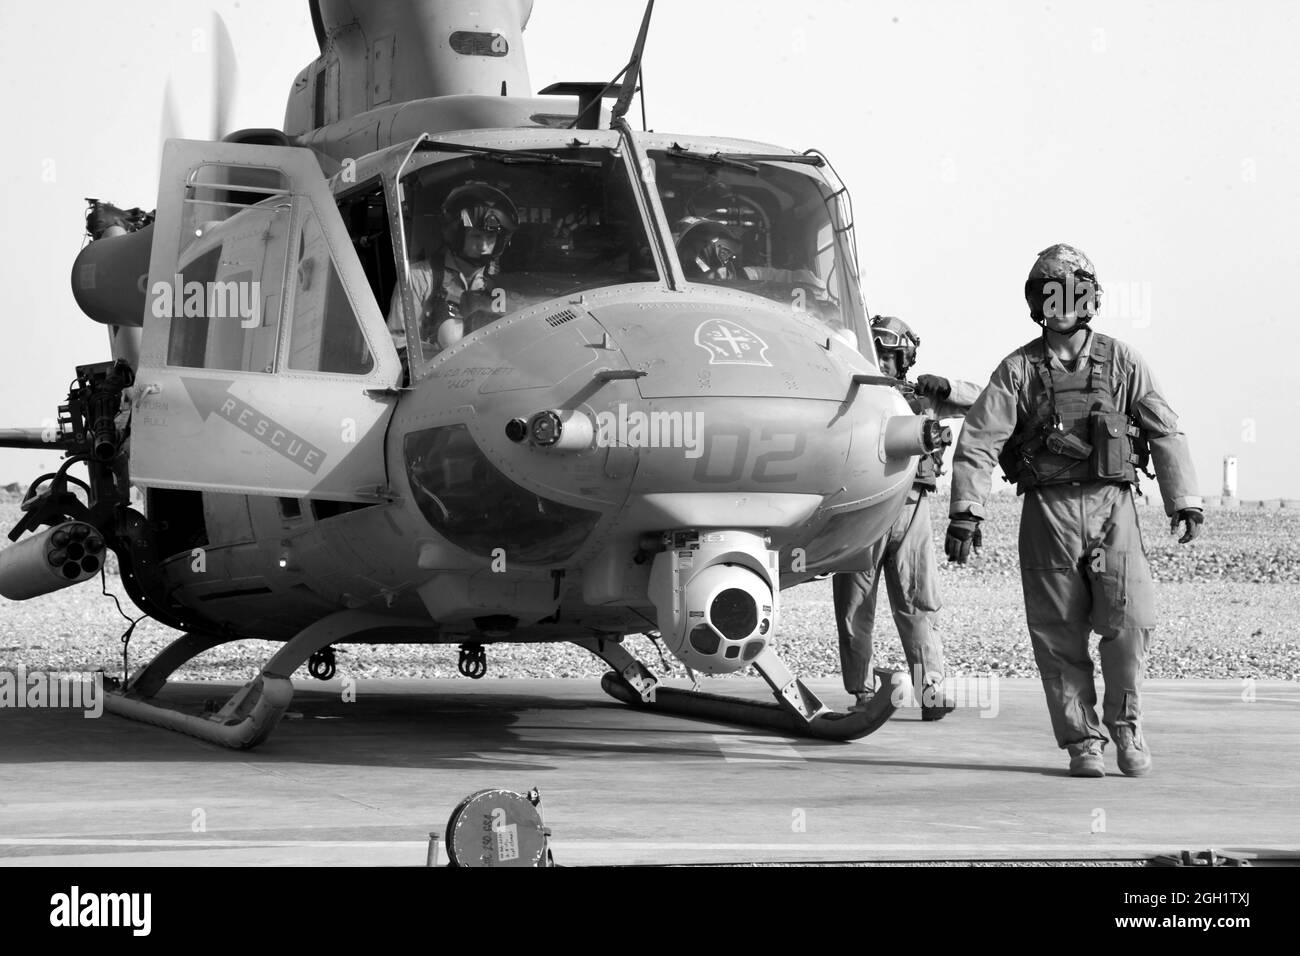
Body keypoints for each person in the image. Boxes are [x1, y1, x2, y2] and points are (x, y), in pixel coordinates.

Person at [945, 243, 1202, 777]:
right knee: (1058, 634)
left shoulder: (1123, 360)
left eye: (1072, 291)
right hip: (1047, 514)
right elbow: (978, 440)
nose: (1062, 304)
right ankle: (1083, 741)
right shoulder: (1017, 370)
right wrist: (967, 510)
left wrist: (1185, 499)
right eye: (1051, 292)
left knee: (1131, 621)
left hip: (1114, 510)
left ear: (1090, 298)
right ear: (1037, 302)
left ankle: (1127, 728)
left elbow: (1163, 429)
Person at [833, 315, 982, 720]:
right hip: (862, 510)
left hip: (912, 508)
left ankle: (930, 689)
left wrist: (948, 387)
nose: (882, 363)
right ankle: (862, 694)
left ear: (905, 360)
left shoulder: (925, 397)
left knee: (918, 601)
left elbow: (986, 401)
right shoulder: (847, 391)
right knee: (854, 605)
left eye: (890, 356)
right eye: (876, 353)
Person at [388, 182, 519, 357]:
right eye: (476, 236)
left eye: (490, 237)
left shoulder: (500, 285)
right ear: (456, 235)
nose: (484, 246)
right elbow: (399, 346)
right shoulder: (419, 278)